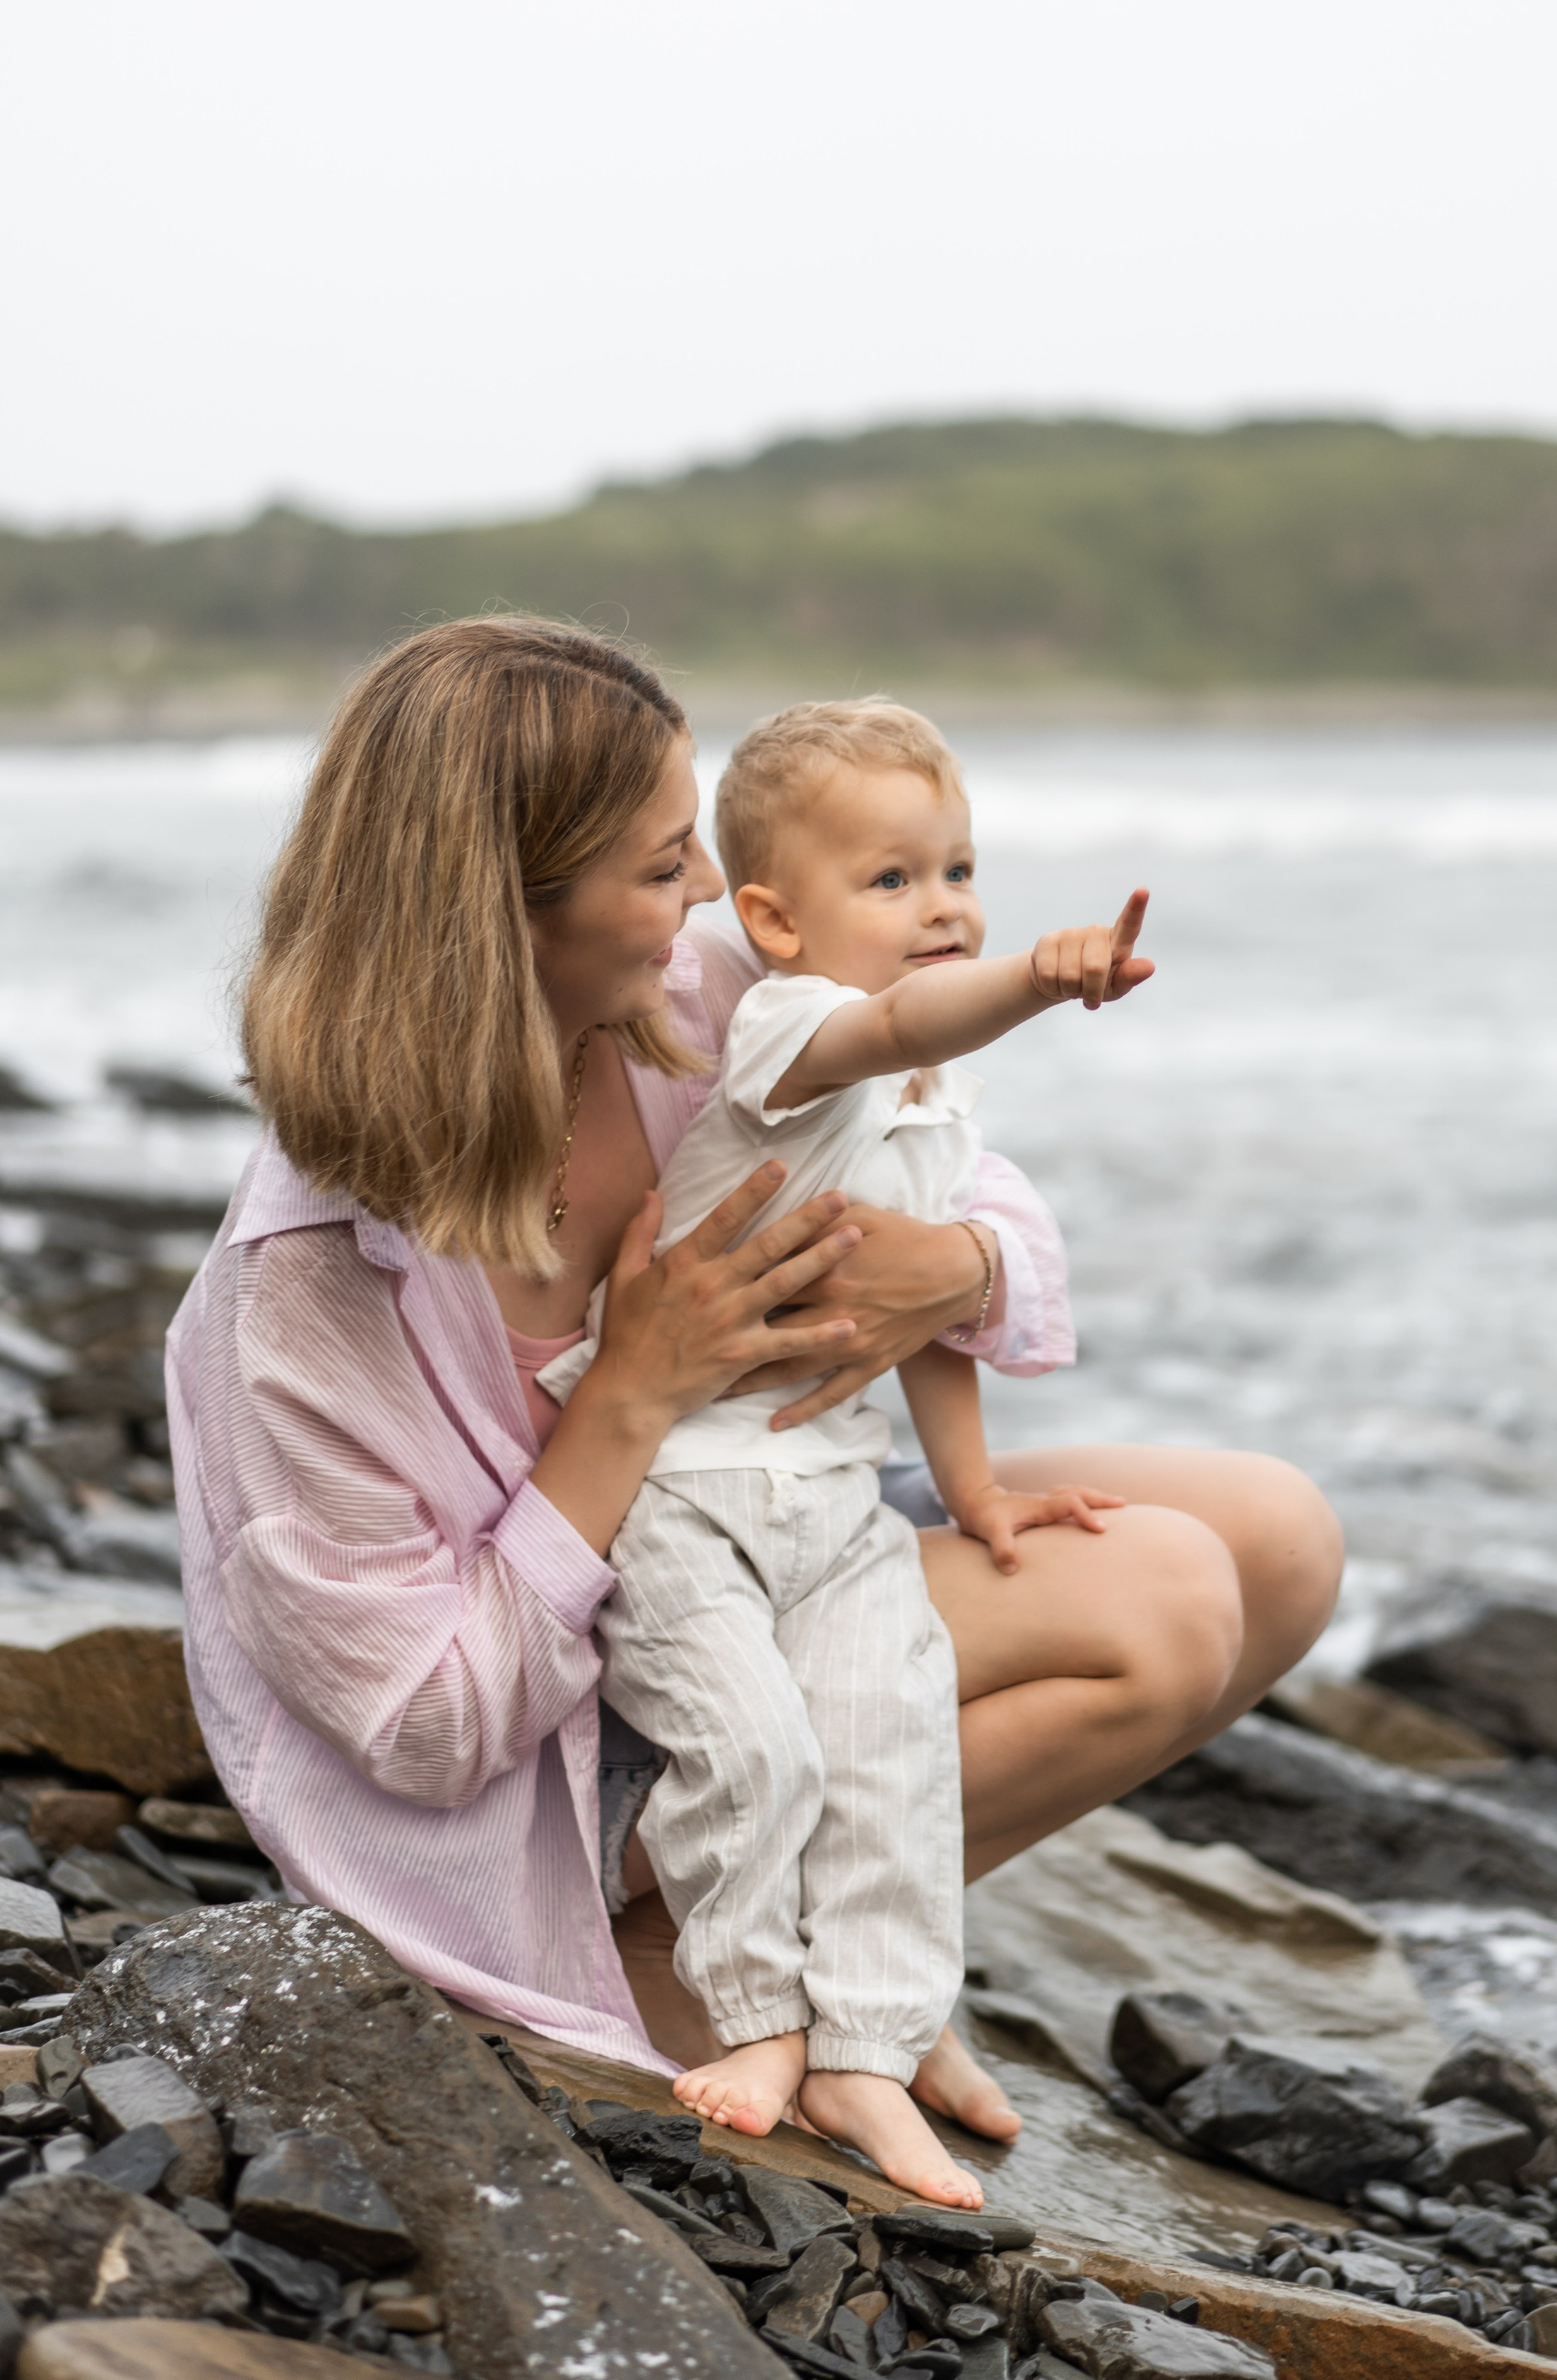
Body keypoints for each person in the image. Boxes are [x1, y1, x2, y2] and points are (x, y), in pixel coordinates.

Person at [166, 617, 1341, 2173]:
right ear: (502, 909)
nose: (710, 892)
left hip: (767, 1500)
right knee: (1169, 1599)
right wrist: (626, 1396)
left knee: (1275, 1534)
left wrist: (959, 1271)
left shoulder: (691, 996)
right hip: (566, 1728)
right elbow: (428, 1727)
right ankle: (709, 1970)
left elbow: (968, 1175)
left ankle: (861, 1936)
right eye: (663, 866)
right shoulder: (307, 1286)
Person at [537, 698, 1151, 2194]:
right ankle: (752, 2019)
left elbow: (916, 1323)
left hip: (827, 1497)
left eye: (957, 871)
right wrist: (1032, 975)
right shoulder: (793, 1030)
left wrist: (977, 1492)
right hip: (683, 1495)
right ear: (772, 920)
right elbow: (901, 1017)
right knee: (753, 1749)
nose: (939, 907)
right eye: (891, 883)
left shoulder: (927, 1107)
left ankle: (870, 2051)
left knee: (885, 1753)